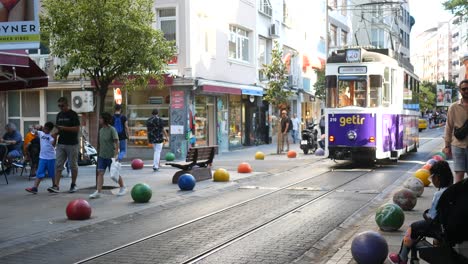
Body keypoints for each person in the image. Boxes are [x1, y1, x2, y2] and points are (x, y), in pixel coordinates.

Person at [388, 160, 454, 264]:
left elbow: (432, 216)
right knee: (420, 227)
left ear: (437, 178)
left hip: (440, 227)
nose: (432, 180)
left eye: (432, 178)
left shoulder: (440, 194)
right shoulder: (454, 190)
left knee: (413, 227)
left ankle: (402, 257)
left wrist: (427, 215)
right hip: (452, 227)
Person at [89, 112, 126, 199]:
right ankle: (98, 191)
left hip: (111, 156)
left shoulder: (112, 129)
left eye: (101, 118)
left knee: (115, 173)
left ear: (105, 119)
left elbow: (117, 142)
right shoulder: (101, 130)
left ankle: (122, 187)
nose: (99, 120)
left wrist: (116, 154)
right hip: (102, 155)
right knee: (100, 173)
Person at [48, 97, 80, 193]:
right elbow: (58, 129)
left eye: (62, 106)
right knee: (58, 164)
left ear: (67, 104)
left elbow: (77, 129)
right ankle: (56, 186)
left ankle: (73, 184)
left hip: (72, 143)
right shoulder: (59, 115)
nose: (60, 108)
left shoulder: (73, 114)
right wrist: (55, 135)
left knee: (73, 165)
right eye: (59, 106)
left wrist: (63, 128)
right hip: (61, 143)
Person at [443, 79, 468, 183]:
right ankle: (458, 198)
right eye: (464, 89)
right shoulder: (453, 107)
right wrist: (447, 146)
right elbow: (449, 126)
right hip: (458, 145)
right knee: (459, 175)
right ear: (460, 90)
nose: (466, 91)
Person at [25, 122, 57, 194]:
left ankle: (54, 185)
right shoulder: (41, 133)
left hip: (51, 157)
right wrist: (35, 127)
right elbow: (33, 132)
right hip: (42, 157)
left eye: (46, 129)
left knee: (52, 173)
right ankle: (35, 188)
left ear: (50, 130)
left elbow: (53, 145)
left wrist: (55, 138)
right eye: (44, 128)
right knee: (39, 172)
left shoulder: (51, 136)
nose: (45, 130)